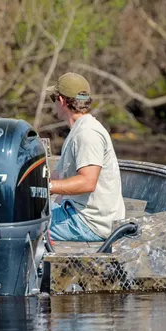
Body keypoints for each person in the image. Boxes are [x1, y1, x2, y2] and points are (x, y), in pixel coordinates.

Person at [46, 72, 125, 241]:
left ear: (61, 101)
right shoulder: (77, 131)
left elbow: (87, 182)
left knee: (22, 225)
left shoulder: (87, 134)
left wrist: (46, 187)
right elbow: (57, 178)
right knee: (23, 214)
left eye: (53, 98)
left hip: (90, 224)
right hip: (76, 213)